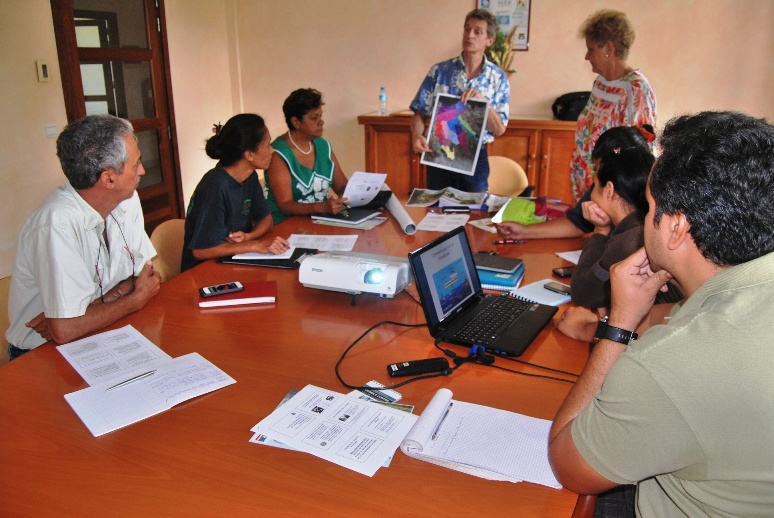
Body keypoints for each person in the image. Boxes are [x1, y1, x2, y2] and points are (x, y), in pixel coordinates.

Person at [549, 111, 774, 517]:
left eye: (649, 205)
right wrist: (635, 313)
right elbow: (681, 315)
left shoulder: (673, 365)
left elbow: (567, 463)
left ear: (675, 227)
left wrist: (617, 326)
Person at [6, 114, 161, 360]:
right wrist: (136, 299)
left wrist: (92, 310)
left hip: (104, 333)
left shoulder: (127, 200)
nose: (142, 170)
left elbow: (148, 275)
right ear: (108, 178)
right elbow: (66, 331)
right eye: (136, 164)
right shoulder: (56, 223)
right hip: (42, 354)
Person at [409, 8, 509, 193]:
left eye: (477, 31)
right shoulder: (439, 71)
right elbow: (419, 113)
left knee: (474, 213)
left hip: (475, 157)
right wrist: (417, 136)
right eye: (467, 29)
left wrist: (483, 103)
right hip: (438, 153)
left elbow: (500, 128)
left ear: (490, 40)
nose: (469, 35)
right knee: (436, 211)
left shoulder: (498, 78)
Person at [495, 125, 655, 241]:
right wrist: (524, 232)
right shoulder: (606, 181)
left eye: (599, 169)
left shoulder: (645, 227)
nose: (597, 174)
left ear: (610, 189)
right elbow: (577, 223)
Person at [182, 114, 289, 272]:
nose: (272, 151)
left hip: (234, 261)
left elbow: (267, 220)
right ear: (249, 155)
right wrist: (254, 245)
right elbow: (200, 251)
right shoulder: (215, 185)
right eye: (267, 145)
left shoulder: (250, 176)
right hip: (205, 270)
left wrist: (248, 237)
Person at [570, 9, 656, 203]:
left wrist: (608, 160)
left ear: (609, 48)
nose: (586, 56)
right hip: (587, 185)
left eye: (591, 49)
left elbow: (639, 148)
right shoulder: (600, 83)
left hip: (612, 190)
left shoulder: (635, 89)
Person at [264, 88, 349, 224]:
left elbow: (341, 186)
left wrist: (357, 193)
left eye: (320, 116)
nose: (321, 122)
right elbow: (285, 205)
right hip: (285, 225)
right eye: (314, 118)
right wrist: (321, 207)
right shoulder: (278, 154)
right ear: (295, 122)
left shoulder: (323, 146)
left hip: (319, 220)